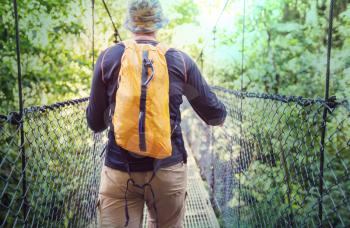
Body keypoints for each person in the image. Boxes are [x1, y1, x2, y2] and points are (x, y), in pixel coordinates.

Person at [86, 0, 226, 227]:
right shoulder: (180, 61)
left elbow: (95, 124)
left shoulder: (108, 59)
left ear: (130, 24)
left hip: (119, 170)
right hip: (167, 170)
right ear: (159, 24)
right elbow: (214, 116)